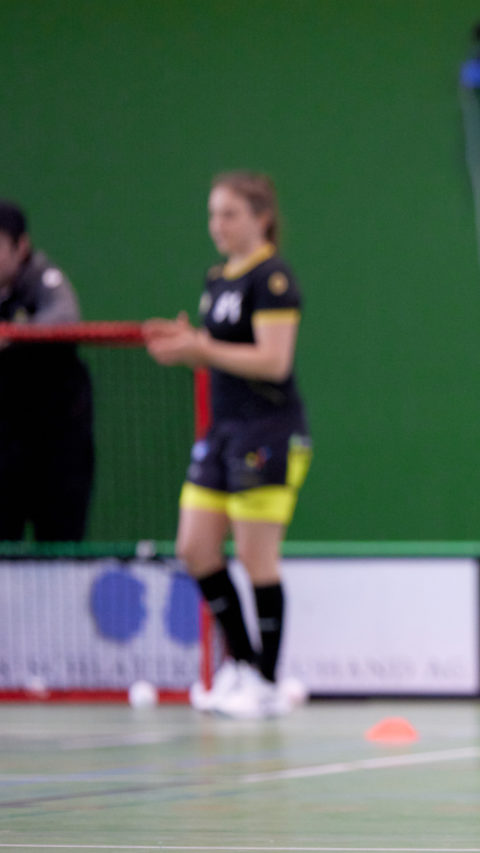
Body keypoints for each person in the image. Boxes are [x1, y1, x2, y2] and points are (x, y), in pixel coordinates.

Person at [143, 172, 312, 720]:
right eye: (213, 214)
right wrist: (186, 347)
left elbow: (273, 361)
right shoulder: (217, 278)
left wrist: (203, 346)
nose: (218, 225)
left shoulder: (273, 278)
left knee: (255, 556)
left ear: (261, 217)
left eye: (230, 213)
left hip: (268, 431)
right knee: (195, 547)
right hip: (222, 431)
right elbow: (214, 350)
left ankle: (267, 681)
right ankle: (239, 665)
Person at [0, 200, 95, 542]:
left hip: (59, 447)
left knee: (59, 548)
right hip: (5, 446)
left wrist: (10, 335)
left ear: (21, 246)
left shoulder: (43, 278)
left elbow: (66, 318)